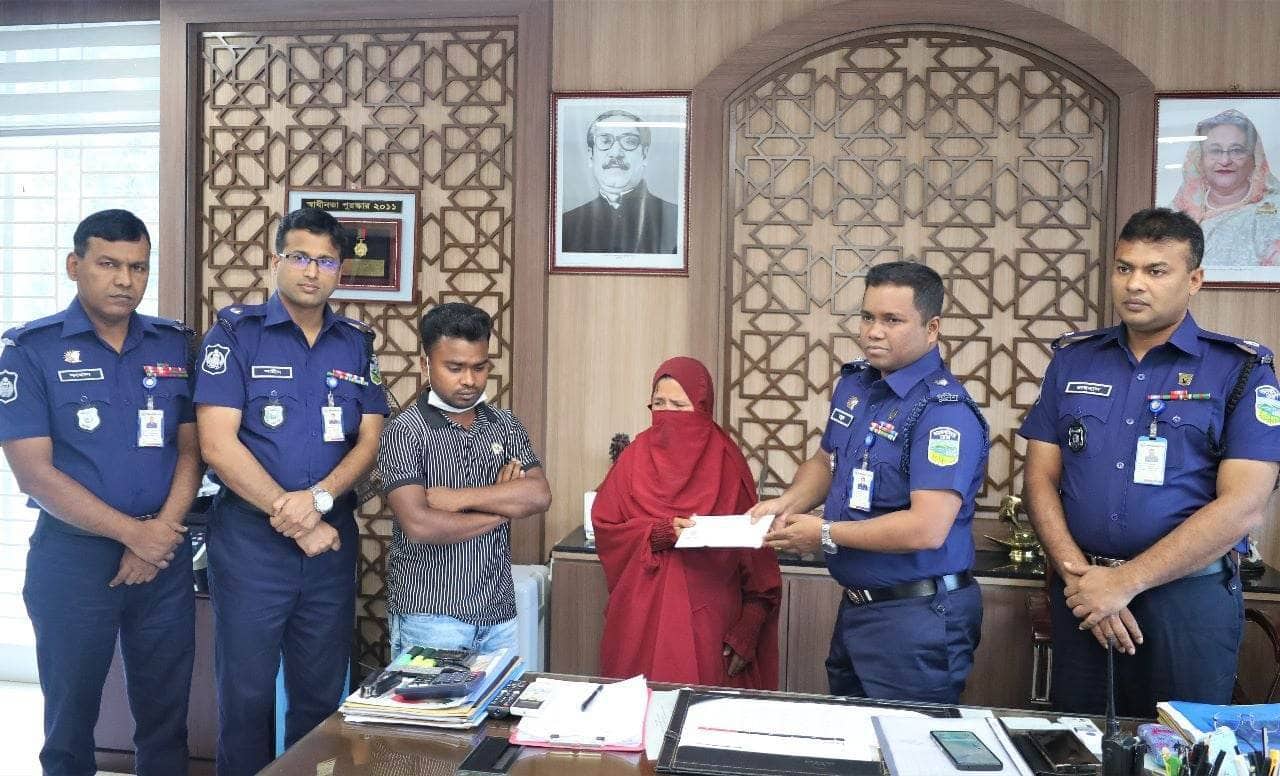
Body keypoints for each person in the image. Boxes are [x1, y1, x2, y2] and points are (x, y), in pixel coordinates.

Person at [1019, 207, 1280, 717]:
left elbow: (1244, 506)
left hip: (1186, 605)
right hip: (1083, 595)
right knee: (1079, 744)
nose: (1134, 284)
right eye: (1124, 268)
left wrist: (1126, 582)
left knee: (1181, 745)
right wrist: (1083, 580)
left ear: (1194, 280)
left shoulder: (1240, 370)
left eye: (1156, 271)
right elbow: (1039, 479)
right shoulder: (1074, 359)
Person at [0, 209, 199, 775]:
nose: (124, 280)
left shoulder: (172, 345)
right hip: (73, 559)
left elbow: (192, 451)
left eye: (138, 267)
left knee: (166, 720)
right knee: (70, 722)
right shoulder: (30, 350)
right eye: (108, 264)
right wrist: (135, 535)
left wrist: (156, 538)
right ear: (74, 265)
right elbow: (35, 475)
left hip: (162, 558)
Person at [194, 207, 388, 775]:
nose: (311, 271)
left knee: (322, 698)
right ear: (275, 259)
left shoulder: (355, 344)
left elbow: (369, 441)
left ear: (340, 271)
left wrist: (319, 502)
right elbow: (217, 444)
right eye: (300, 257)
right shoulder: (236, 335)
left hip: (330, 545)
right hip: (251, 545)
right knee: (246, 698)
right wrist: (298, 519)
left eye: (326, 261)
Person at [752, 261, 989, 704]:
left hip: (919, 616)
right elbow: (826, 461)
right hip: (860, 608)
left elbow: (926, 528)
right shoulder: (857, 386)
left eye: (892, 320)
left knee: (907, 740)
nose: (873, 332)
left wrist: (824, 533)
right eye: (867, 317)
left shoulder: (943, 412)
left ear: (932, 328)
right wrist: (788, 502)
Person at [592, 357, 781, 689]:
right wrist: (657, 533)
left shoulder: (726, 462)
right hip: (640, 619)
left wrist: (750, 623)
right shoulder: (634, 456)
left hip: (708, 623)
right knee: (638, 711)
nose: (667, 414)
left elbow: (756, 554)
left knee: (700, 711)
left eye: (679, 406)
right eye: (659, 404)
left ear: (703, 409)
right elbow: (606, 528)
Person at [377, 302, 551, 657]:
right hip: (430, 616)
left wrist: (459, 499)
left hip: (498, 615)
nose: (470, 380)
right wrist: (503, 505)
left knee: (500, 698)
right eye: (455, 368)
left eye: (479, 367)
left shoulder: (505, 424)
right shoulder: (405, 431)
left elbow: (539, 495)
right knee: (431, 699)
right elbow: (421, 525)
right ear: (425, 364)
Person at [1171, 109, 1280, 266]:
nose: (1225, 160)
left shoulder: (1274, 210)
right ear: (1200, 160)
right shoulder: (1176, 212)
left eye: (1236, 150)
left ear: (1254, 159)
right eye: (1215, 151)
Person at [560, 109, 678, 254]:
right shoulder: (565, 225)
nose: (616, 153)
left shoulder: (676, 220)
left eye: (629, 141)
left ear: (644, 155)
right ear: (591, 156)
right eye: (605, 141)